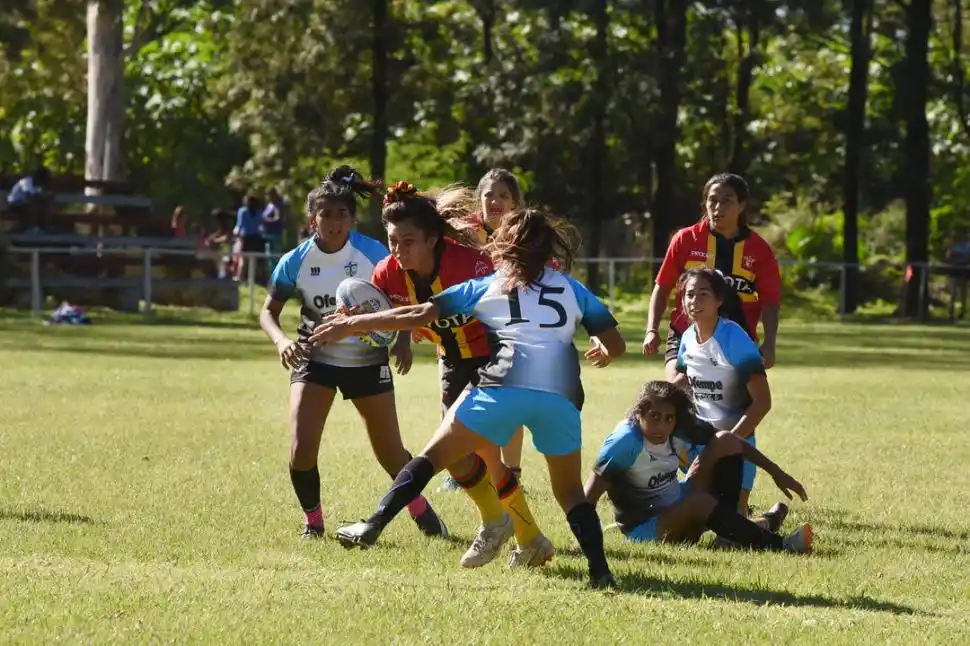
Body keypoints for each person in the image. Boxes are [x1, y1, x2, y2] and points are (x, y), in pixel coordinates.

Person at [311, 209, 627, 589]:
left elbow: (419, 314)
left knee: (432, 456)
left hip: (502, 389)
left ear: (505, 246)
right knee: (571, 493)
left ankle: (374, 524)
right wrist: (602, 348)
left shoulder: (489, 285)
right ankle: (601, 573)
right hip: (560, 396)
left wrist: (352, 323)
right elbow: (615, 343)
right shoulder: (574, 289)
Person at [258, 166, 448, 542]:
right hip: (315, 359)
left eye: (341, 214)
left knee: (390, 453)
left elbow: (404, 297)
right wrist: (282, 341)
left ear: (352, 218)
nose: (333, 222)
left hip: (366, 360)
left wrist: (404, 339)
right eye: (325, 214)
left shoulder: (373, 253)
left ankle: (424, 513)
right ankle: (313, 522)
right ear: (313, 218)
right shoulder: (294, 260)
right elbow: (268, 311)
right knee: (301, 447)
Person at [370, 180, 554, 568]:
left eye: (407, 241)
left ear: (433, 239)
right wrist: (370, 327)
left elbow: (515, 295)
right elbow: (384, 312)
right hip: (452, 360)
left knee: (469, 446)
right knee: (461, 458)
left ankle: (501, 525)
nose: (397, 249)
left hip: (497, 354)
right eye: (391, 240)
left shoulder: (468, 263)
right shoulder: (385, 274)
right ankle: (526, 535)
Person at [642, 173, 781, 515]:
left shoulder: (758, 249)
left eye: (727, 201)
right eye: (712, 200)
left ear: (743, 205)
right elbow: (662, 286)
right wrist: (651, 328)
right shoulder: (686, 239)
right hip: (686, 335)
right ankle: (679, 483)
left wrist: (771, 343)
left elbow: (772, 300)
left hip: (736, 342)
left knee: (738, 409)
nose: (717, 207)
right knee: (673, 393)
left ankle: (736, 491)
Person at [585, 381, 812, 553]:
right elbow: (588, 496)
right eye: (654, 416)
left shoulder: (679, 427)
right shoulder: (625, 442)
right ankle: (782, 545)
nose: (661, 426)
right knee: (700, 503)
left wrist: (776, 472)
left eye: (668, 419)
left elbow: (729, 441)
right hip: (645, 529)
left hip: (678, 498)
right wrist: (584, 540)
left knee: (724, 441)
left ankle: (732, 535)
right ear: (639, 414)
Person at [670, 268, 788, 528]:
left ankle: (766, 524)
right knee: (693, 522)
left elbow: (762, 402)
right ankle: (764, 522)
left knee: (728, 530)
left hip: (736, 444)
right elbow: (683, 381)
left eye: (703, 294)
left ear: (719, 300)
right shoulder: (688, 337)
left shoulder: (734, 338)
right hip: (698, 440)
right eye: (689, 294)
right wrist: (654, 401)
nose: (694, 301)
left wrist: (731, 442)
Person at [234, 194, 265, 281]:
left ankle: (240, 278)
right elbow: (261, 226)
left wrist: (236, 233)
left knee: (243, 259)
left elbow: (239, 225)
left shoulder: (242, 212)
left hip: (246, 238)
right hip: (256, 237)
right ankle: (260, 279)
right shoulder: (259, 212)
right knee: (257, 260)